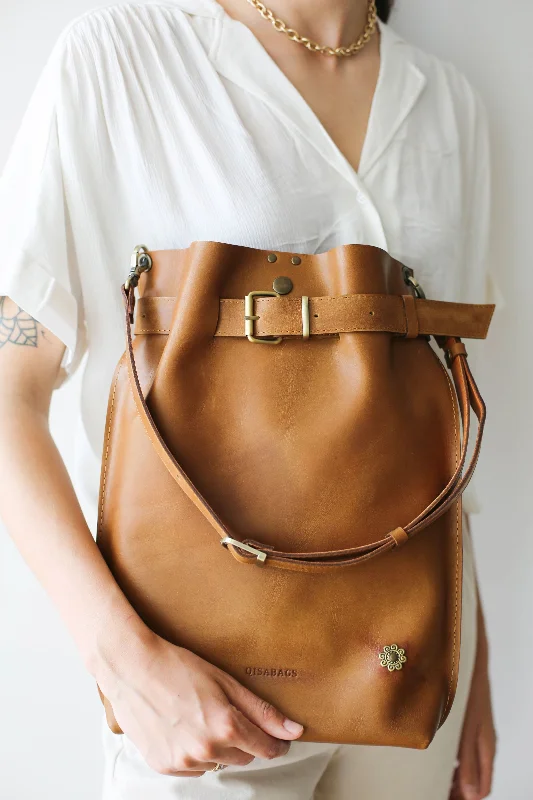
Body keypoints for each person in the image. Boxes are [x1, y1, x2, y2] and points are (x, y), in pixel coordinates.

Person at [0, 0, 497, 797]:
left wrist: (467, 657)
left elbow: (444, 411)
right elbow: (5, 396)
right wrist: (124, 665)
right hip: (201, 706)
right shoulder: (126, 57)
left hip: (404, 676)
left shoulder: (449, 103)